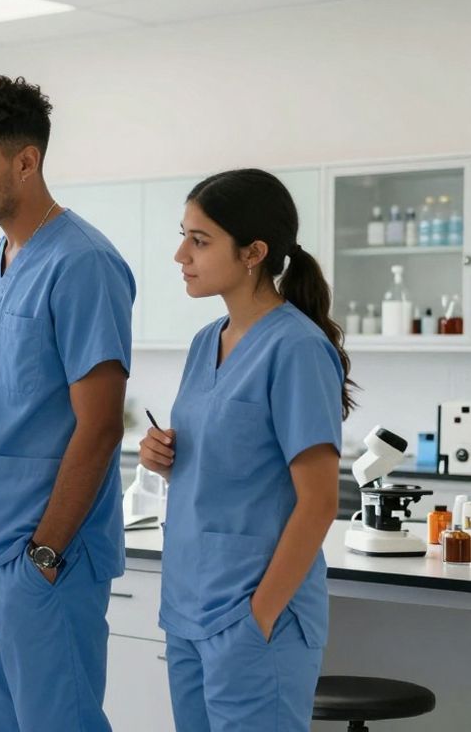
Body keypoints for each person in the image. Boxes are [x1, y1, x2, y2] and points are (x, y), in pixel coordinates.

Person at [0, 75, 134, 732]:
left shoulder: (82, 263)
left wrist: (42, 556)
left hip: (48, 561)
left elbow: (101, 427)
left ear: (25, 161)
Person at [139, 168, 350, 731]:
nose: (181, 253)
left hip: (253, 616)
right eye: (183, 234)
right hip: (188, 607)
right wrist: (161, 454)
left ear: (254, 252)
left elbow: (319, 502)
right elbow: (222, 456)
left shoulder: (297, 348)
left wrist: (259, 617)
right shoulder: (207, 341)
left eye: (200, 240)